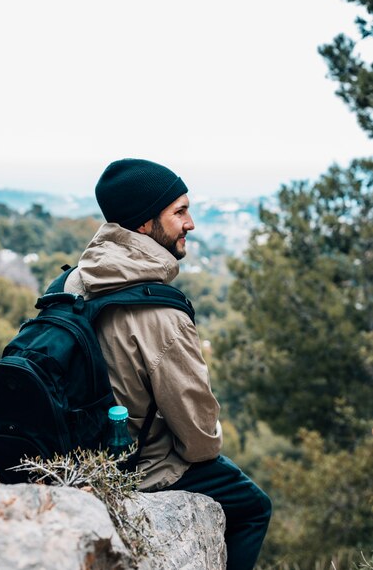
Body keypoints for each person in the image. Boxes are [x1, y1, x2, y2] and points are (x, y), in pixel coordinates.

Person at [64, 158, 272, 570]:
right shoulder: (163, 316)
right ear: (144, 224)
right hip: (143, 470)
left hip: (75, 454)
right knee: (253, 507)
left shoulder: (73, 282)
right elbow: (200, 442)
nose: (190, 223)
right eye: (179, 211)